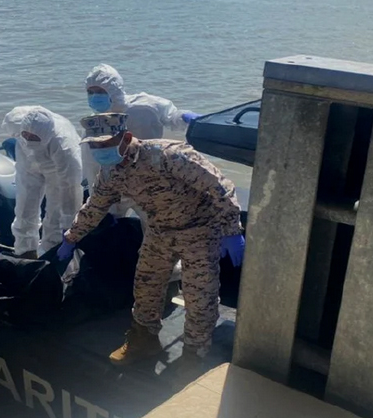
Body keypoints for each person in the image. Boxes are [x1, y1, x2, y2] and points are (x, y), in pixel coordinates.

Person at [58, 113, 246, 366]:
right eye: (94, 145)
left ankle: (195, 353)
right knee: (146, 285)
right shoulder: (111, 172)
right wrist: (71, 238)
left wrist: (232, 230)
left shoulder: (168, 155)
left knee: (199, 296)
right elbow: (95, 207)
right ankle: (144, 340)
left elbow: (220, 186)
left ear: (126, 137)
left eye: (105, 143)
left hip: (199, 230)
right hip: (159, 230)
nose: (100, 150)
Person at [82, 64, 200, 220]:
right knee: (110, 221)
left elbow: (172, 116)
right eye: (90, 92)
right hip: (114, 182)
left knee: (155, 220)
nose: (94, 97)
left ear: (113, 89)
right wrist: (88, 187)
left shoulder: (145, 106)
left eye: (100, 91)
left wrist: (186, 117)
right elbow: (90, 163)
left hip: (148, 176)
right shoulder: (94, 124)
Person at [2, 106, 84, 259]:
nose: (29, 140)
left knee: (55, 215)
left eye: (34, 138)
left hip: (56, 169)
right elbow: (15, 131)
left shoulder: (65, 147)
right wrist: (25, 138)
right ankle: (25, 252)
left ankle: (51, 254)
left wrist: (69, 230)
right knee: (24, 208)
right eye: (25, 135)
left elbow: (70, 190)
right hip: (28, 162)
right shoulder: (16, 122)